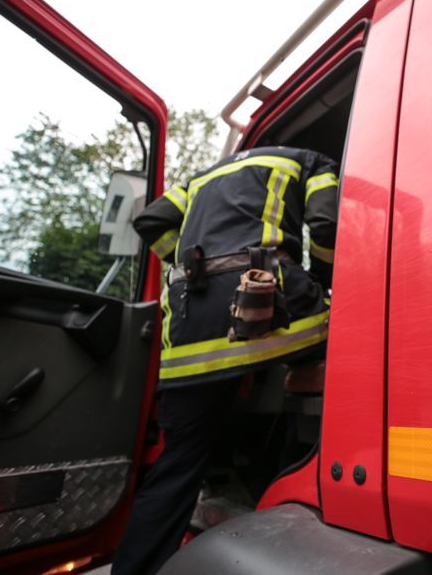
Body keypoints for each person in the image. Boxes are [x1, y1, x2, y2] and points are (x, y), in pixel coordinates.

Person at [111, 146, 338, 575]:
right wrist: (325, 281)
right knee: (335, 342)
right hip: (273, 301)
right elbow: (325, 223)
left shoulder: (200, 178)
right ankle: (289, 486)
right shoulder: (308, 161)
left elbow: (150, 221)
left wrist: (193, 266)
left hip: (189, 334)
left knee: (177, 467)